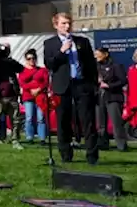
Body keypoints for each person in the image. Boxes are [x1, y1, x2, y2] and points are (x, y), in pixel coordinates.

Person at [42, 12, 100, 165]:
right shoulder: (50, 44)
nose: (67, 26)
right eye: (63, 24)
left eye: (69, 23)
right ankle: (66, 154)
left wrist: (94, 84)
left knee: (87, 120)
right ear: (56, 25)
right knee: (63, 121)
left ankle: (92, 155)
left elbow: (91, 65)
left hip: (81, 84)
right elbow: (50, 65)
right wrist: (62, 51)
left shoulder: (82, 42)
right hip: (62, 86)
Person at [94, 46, 129, 152]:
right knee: (101, 122)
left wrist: (109, 85)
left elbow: (123, 80)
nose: (96, 57)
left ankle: (121, 144)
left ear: (105, 54)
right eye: (95, 54)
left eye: (98, 54)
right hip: (99, 97)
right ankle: (103, 143)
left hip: (113, 97)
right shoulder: (95, 67)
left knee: (116, 122)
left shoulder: (116, 66)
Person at [18, 49, 48, 143]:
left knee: (41, 118)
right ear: (26, 59)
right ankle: (29, 137)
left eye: (33, 58)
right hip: (28, 97)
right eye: (29, 58)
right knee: (29, 117)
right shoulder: (22, 71)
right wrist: (31, 89)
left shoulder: (42, 70)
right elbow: (22, 83)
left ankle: (42, 138)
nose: (31, 60)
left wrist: (38, 89)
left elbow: (46, 82)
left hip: (40, 97)